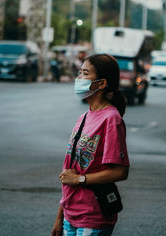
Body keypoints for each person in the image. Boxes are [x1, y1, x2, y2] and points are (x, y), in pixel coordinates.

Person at [51, 54, 130, 236]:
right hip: (71, 216)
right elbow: (69, 172)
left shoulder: (111, 119)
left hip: (93, 217)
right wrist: (59, 218)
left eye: (85, 73)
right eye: (79, 72)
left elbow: (120, 171)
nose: (78, 78)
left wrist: (80, 179)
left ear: (101, 84)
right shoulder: (84, 117)